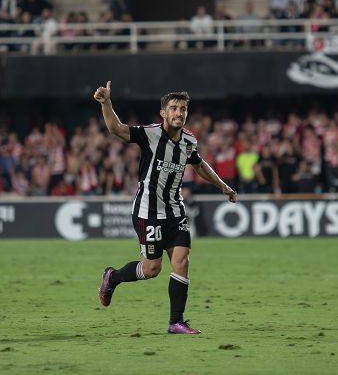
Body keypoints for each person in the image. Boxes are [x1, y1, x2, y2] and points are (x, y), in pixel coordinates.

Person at [93, 81, 237, 335]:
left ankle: (176, 322)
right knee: (152, 269)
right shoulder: (150, 134)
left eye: (183, 108)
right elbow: (116, 129)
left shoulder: (189, 140)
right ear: (163, 113)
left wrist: (223, 186)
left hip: (175, 210)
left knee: (181, 261)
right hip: (148, 212)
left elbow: (200, 165)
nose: (179, 112)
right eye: (174, 108)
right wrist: (107, 103)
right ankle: (112, 277)